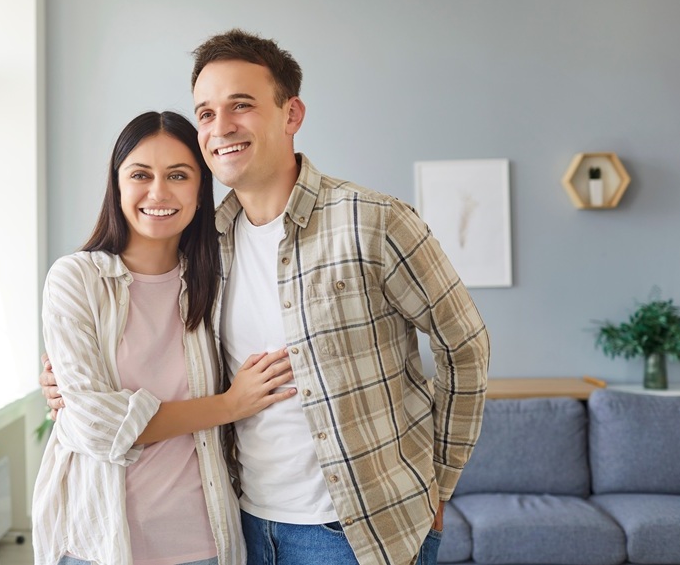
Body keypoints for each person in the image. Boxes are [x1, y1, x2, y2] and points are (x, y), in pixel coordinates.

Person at [43, 31, 490, 565]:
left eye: (242, 105)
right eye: (205, 113)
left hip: (355, 534)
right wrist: (63, 381)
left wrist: (440, 481)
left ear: (291, 113)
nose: (221, 126)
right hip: (241, 525)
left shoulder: (373, 220)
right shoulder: (208, 248)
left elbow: (466, 346)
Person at [31, 110, 297, 565]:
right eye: (140, 174)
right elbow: (95, 425)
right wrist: (229, 404)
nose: (158, 192)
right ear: (117, 185)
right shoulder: (75, 279)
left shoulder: (219, 279)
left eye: (178, 175)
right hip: (97, 543)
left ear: (200, 189)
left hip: (206, 542)